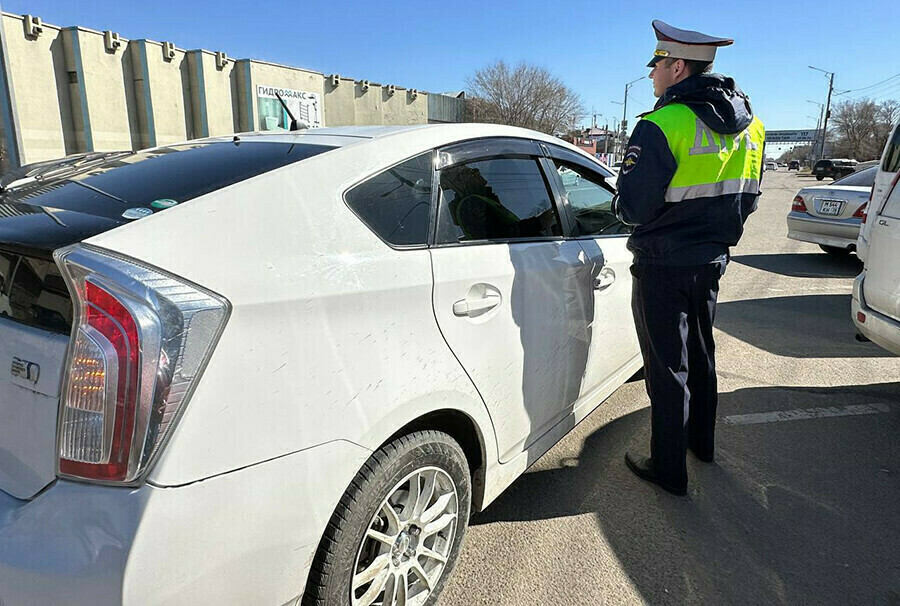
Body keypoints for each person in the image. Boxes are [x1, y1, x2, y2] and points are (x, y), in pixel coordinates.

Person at [612, 20, 765, 496]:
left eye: (656, 64)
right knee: (702, 355)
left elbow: (633, 207)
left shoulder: (660, 124)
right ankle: (702, 446)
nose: (653, 73)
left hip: (662, 262)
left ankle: (668, 470)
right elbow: (751, 196)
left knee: (667, 366)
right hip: (713, 260)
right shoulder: (753, 127)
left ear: (677, 67)